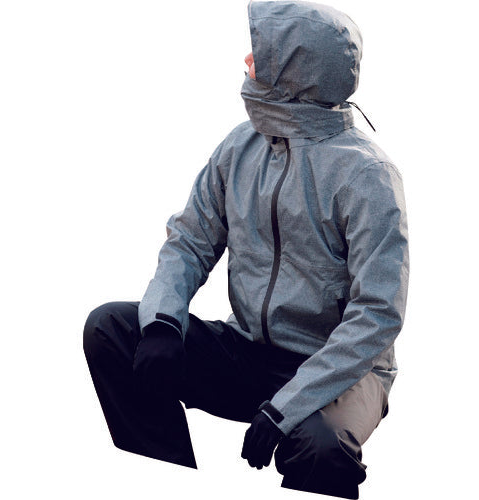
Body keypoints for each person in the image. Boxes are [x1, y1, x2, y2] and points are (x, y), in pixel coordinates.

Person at [83, 1, 409, 498]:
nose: (247, 60)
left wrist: (286, 409)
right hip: (250, 351)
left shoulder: (369, 176)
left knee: (321, 448)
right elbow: (189, 241)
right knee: (113, 329)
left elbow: (378, 315)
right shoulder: (240, 147)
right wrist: (164, 321)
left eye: (262, 52)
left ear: (295, 72)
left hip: (342, 368)